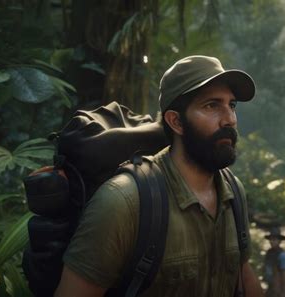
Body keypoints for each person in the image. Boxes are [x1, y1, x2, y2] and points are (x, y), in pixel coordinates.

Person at [53, 55, 264, 297]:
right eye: (212, 105)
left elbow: (242, 274)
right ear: (176, 121)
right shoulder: (124, 202)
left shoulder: (233, 191)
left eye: (232, 105)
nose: (230, 119)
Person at [263, 227, 285, 297]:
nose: (272, 241)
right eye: (271, 239)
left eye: (274, 239)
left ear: (279, 241)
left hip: (278, 287)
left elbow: (284, 276)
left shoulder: (282, 255)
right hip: (271, 286)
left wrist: (284, 292)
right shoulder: (269, 253)